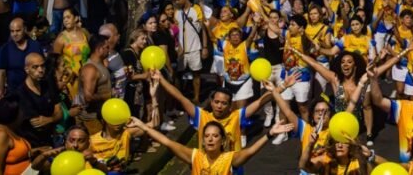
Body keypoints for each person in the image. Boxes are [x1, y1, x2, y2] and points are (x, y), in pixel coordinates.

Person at [151, 69, 273, 154]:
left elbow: (260, 102)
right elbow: (180, 97)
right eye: (217, 102)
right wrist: (161, 79)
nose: (219, 106)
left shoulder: (237, 116)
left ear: (230, 106)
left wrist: (279, 88)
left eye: (224, 103)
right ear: (211, 102)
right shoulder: (201, 116)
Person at [128, 114, 290, 175]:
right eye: (207, 136)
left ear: (223, 141)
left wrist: (269, 134)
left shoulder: (229, 158)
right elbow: (167, 142)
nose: (210, 139)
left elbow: (251, 151)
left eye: (215, 136)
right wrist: (143, 127)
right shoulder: (195, 156)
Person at [88, 76, 160, 173]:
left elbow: (154, 124)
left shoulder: (126, 134)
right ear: (104, 120)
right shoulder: (92, 142)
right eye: (114, 119)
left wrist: (154, 97)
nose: (118, 124)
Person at [13, 53, 61, 148]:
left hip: (50, 139)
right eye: (35, 67)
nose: (40, 70)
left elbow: (59, 112)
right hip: (31, 143)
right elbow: (37, 124)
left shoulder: (49, 85)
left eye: (42, 66)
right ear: (27, 69)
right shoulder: (21, 93)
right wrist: (52, 118)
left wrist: (50, 119)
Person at [172, 0, 210, 104]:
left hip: (194, 48)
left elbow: (203, 29)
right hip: (180, 50)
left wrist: (204, 47)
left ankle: (196, 97)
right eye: (175, 0)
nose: (177, 2)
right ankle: (179, 97)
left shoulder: (196, 9)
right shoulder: (176, 12)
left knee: (196, 73)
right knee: (178, 74)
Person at [0, 95, 41, 175]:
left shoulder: (11, 129)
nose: (23, 114)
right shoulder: (1, 135)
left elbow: (13, 155)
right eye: (21, 111)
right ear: (13, 114)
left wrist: (36, 152)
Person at [0, 19, 45, 95]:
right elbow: (2, 73)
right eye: (12, 31)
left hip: (33, 92)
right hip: (14, 93)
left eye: (18, 31)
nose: (15, 34)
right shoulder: (5, 49)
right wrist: (0, 93)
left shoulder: (35, 46)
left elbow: (43, 67)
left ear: (25, 29)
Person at [77, 34, 114, 134]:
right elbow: (88, 97)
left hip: (101, 117)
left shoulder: (101, 65)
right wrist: (106, 95)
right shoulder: (90, 69)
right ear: (99, 49)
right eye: (107, 47)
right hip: (91, 120)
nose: (109, 50)